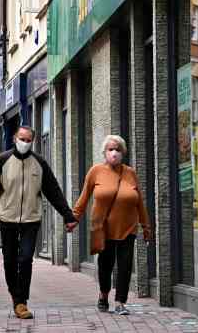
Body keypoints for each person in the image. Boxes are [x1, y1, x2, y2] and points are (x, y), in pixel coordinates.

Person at [0, 126, 78, 320]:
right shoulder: (2, 160)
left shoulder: (39, 163)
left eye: (28, 140)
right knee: (10, 261)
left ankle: (21, 302)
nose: (24, 143)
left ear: (32, 142)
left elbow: (53, 191)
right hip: (7, 219)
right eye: (21, 138)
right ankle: (15, 295)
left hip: (31, 220)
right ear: (14, 138)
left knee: (25, 259)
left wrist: (68, 216)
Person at [69, 135, 152, 316]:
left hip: (128, 227)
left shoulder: (130, 173)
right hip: (103, 228)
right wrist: (73, 218)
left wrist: (146, 226)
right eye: (111, 149)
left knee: (125, 265)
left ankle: (121, 302)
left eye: (118, 149)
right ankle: (103, 294)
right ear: (104, 152)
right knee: (105, 265)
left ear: (123, 152)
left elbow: (140, 202)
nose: (114, 153)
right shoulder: (95, 171)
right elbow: (84, 198)